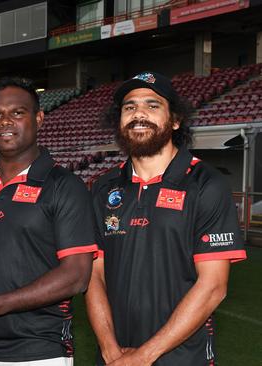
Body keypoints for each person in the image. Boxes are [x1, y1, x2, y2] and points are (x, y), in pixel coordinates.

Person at [86, 71, 247, 365]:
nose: (139, 114)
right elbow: (94, 275)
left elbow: (213, 287)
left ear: (175, 120)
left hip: (181, 357)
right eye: (129, 107)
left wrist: (144, 357)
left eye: (152, 105)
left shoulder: (206, 184)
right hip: (113, 356)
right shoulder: (103, 188)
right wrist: (110, 350)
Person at [0, 77, 98, 365]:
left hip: (38, 351)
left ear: (38, 119)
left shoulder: (64, 186)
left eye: (17, 113)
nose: (4, 122)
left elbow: (77, 276)